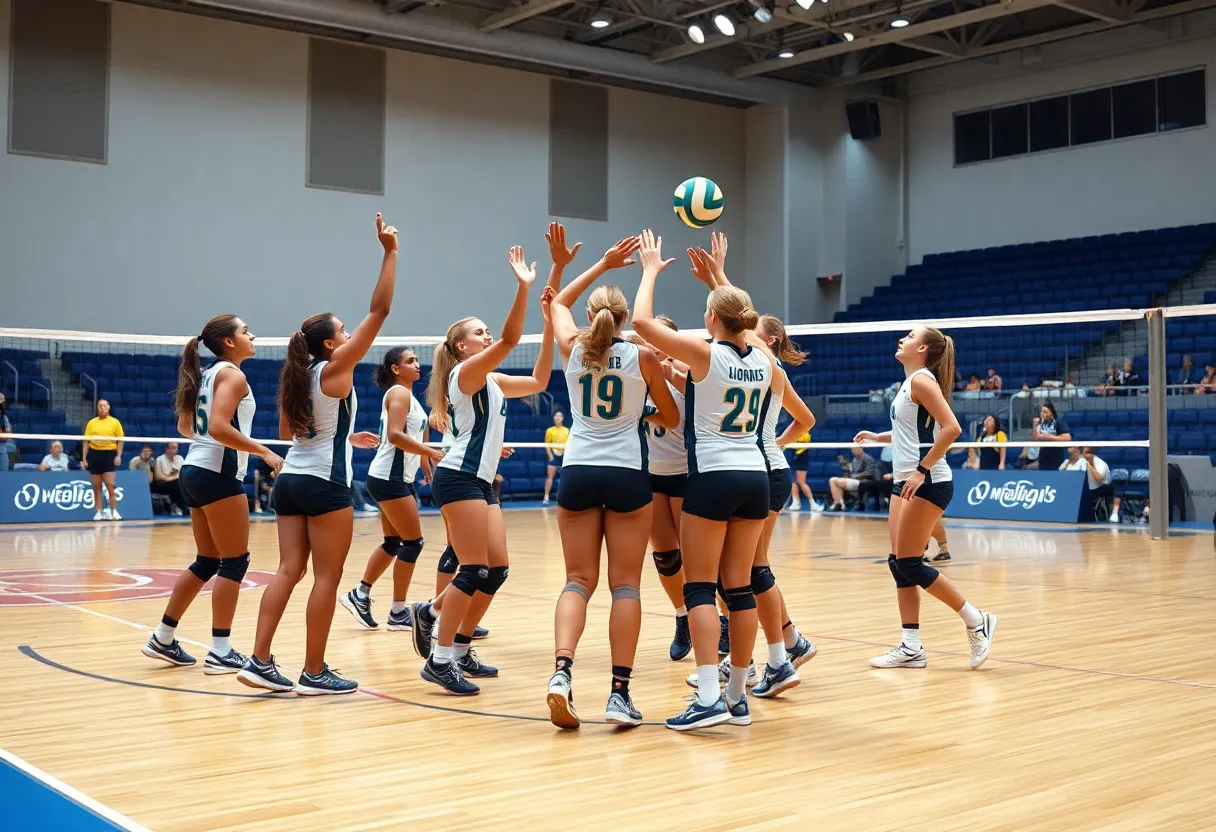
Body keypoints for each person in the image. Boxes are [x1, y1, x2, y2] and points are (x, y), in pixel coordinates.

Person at [238, 214, 398, 695]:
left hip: (292, 480)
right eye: (344, 332)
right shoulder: (334, 366)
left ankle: (259, 660)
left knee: (290, 570)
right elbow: (381, 311)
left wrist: (343, 436)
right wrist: (390, 253)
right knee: (326, 578)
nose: (351, 335)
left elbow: (294, 431)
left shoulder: (297, 375)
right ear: (330, 344)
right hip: (327, 486)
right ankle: (313, 671)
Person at [634, 233, 775, 731]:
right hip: (755, 477)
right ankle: (737, 698)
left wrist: (650, 269)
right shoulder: (762, 357)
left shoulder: (704, 353)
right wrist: (719, 277)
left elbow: (641, 324)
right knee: (738, 589)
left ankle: (709, 696)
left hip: (713, 477)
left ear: (711, 319)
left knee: (698, 587)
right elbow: (747, 321)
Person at [408, 231, 558, 696]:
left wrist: (550, 323)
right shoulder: (464, 373)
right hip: (457, 478)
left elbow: (538, 379)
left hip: (478, 480)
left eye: (485, 331)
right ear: (460, 347)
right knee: (472, 569)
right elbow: (513, 337)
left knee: (496, 570)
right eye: (478, 333)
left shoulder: (489, 378)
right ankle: (439, 656)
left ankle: (448, 632)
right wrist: (523, 288)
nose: (487, 335)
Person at [544, 229, 678, 729]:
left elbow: (558, 300)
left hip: (578, 470)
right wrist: (641, 411)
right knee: (626, 587)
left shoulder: (572, 348)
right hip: (627, 475)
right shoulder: (643, 356)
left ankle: (562, 672)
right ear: (625, 319)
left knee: (577, 580)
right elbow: (669, 415)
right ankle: (619, 693)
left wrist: (602, 264)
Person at [686, 237, 818, 698]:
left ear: (765, 338)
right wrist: (718, 277)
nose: (745, 329)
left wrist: (719, 281)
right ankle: (768, 653)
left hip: (754, 470)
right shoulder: (761, 364)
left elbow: (736, 318)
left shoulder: (755, 362)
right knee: (743, 572)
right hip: (761, 467)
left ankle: (782, 652)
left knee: (747, 572)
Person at [142, 315, 284, 673]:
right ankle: (220, 649)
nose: (252, 335)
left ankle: (163, 636)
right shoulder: (233, 375)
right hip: (217, 473)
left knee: (207, 560)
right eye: (245, 330)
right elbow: (219, 426)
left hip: (194, 470)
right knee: (234, 562)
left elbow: (185, 426)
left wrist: (214, 441)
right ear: (229, 342)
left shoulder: (207, 373)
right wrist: (263, 451)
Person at [853, 327, 996, 671]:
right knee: (897, 562)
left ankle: (977, 619)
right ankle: (911, 646)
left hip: (927, 480)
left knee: (909, 564)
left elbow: (952, 428)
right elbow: (913, 430)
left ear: (924, 349)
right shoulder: (909, 382)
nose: (901, 338)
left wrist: (921, 469)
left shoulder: (922, 380)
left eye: (910, 336)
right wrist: (879, 436)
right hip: (906, 481)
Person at [340, 347, 444, 631]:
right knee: (413, 542)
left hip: (398, 477)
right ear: (395, 369)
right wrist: (431, 452)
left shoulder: (410, 397)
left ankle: (360, 594)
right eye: (410, 360)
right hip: (390, 477)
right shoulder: (398, 394)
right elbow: (395, 436)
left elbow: (414, 432)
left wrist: (423, 460)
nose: (417, 363)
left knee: (393, 543)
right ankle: (398, 611)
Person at [83, 399, 124, 521]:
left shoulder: (115, 422)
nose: (103, 408)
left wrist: (118, 455)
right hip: (94, 454)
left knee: (110, 486)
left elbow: (120, 439)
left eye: (105, 406)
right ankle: (99, 512)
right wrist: (84, 458)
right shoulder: (91, 423)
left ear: (109, 407)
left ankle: (114, 511)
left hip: (109, 455)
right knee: (96, 487)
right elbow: (86, 441)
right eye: (100, 406)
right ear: (97, 408)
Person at [827, 446, 876, 511]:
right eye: (852, 449)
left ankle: (838, 503)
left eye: (854, 449)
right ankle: (840, 504)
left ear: (860, 448)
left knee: (833, 480)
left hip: (863, 481)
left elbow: (869, 473)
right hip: (854, 480)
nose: (853, 451)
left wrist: (854, 476)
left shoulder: (868, 459)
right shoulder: (855, 459)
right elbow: (853, 472)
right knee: (835, 483)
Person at [1031, 402, 1071, 473]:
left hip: (1057, 459)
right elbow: (1035, 439)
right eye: (1041, 411)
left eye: (1045, 412)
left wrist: (1050, 437)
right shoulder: (1040, 423)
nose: (1042, 414)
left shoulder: (1058, 421)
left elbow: (1067, 437)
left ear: (1051, 413)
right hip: (1043, 459)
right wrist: (1034, 426)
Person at [153, 442, 188, 515]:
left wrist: (172, 478)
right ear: (166, 449)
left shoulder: (180, 458)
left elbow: (184, 474)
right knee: (177, 484)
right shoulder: (160, 459)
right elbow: (158, 476)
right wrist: (173, 478)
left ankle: (178, 506)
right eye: (171, 447)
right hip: (162, 484)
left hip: (176, 483)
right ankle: (183, 508)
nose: (173, 450)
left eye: (175, 448)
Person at [542, 411, 568, 506]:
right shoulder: (550, 430)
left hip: (564, 455)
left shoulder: (567, 430)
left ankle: (562, 498)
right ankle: (546, 496)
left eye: (560, 416)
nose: (558, 418)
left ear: (562, 418)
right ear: (553, 418)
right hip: (554, 455)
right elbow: (547, 444)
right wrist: (551, 456)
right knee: (550, 477)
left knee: (565, 478)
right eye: (556, 416)